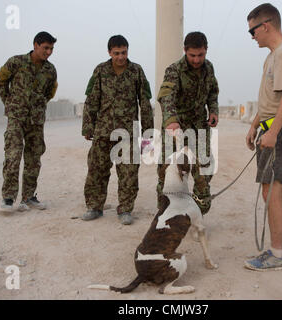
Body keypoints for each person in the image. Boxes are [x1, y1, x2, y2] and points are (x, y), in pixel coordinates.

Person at [244, 3, 282, 271]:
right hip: (278, 129)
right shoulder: (272, 56)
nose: (252, 36)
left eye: (252, 31)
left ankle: (276, 254)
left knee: (271, 192)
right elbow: (272, 99)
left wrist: (272, 132)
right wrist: (254, 125)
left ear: (265, 26)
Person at [81, 35, 153, 225]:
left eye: (124, 52)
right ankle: (95, 207)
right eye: (116, 53)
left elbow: (145, 103)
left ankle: (125, 209)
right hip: (103, 130)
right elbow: (91, 100)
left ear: (127, 51)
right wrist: (88, 126)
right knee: (97, 169)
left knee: (128, 172)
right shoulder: (100, 71)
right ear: (109, 52)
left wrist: (148, 134)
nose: (121, 57)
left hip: (128, 133)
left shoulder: (136, 71)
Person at [157, 31, 219, 215]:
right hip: (175, 127)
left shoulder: (209, 68)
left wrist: (213, 109)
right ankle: (165, 212)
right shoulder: (174, 70)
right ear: (185, 51)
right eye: (192, 55)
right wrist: (171, 120)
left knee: (205, 169)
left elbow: (213, 92)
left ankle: (197, 210)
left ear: (206, 50)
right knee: (167, 171)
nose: (196, 59)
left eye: (201, 55)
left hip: (200, 126)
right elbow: (166, 95)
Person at [0, 31, 58, 213]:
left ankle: (29, 197)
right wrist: (9, 102)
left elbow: (50, 92)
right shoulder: (16, 62)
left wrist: (38, 106)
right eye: (46, 48)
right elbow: (1, 80)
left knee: (34, 158)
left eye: (51, 49)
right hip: (17, 117)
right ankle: (8, 198)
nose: (48, 52)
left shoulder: (50, 70)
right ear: (35, 45)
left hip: (36, 121)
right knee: (13, 156)